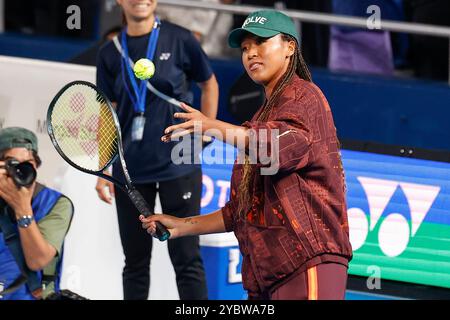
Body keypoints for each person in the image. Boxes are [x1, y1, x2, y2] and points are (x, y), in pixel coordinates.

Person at [142, 10, 353, 300]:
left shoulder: (305, 96)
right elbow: (242, 210)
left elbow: (277, 149)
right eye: (245, 48)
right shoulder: (261, 116)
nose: (251, 53)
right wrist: (182, 226)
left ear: (290, 47)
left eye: (261, 43)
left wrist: (212, 125)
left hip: (307, 262)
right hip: (267, 274)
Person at [95, 0, 219, 300]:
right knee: (136, 263)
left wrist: (205, 130)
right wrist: (103, 168)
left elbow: (209, 84)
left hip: (180, 162)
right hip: (131, 168)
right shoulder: (110, 52)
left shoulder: (180, 38)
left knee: (187, 260)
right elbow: (105, 113)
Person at [0, 127, 73, 300]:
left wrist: (22, 208)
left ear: (36, 165)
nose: (19, 171)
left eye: (28, 164)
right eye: (12, 163)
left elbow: (38, 261)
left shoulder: (56, 203)